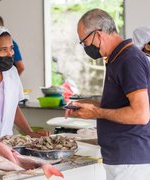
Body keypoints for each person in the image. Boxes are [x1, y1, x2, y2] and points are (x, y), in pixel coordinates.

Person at [66, 9, 150, 180]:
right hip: (122, 159)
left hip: (131, 161)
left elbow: (141, 115)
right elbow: (121, 106)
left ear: (98, 34)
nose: (85, 47)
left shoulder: (129, 59)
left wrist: (97, 112)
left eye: (84, 41)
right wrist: (92, 105)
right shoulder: (117, 58)